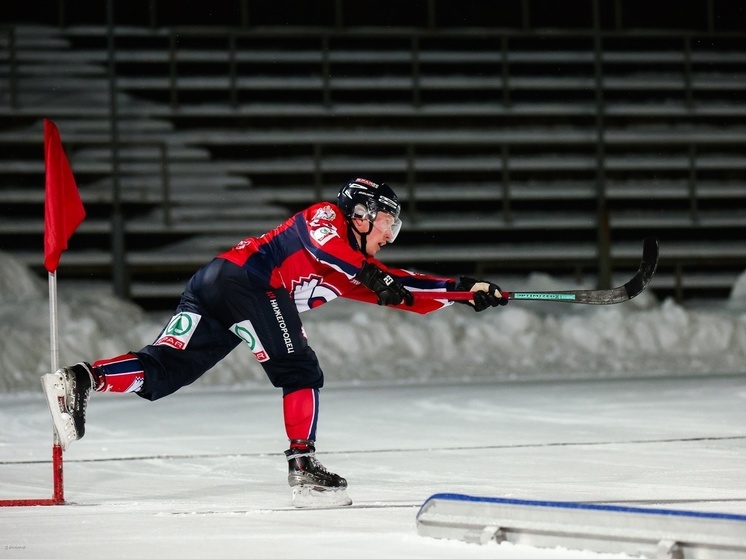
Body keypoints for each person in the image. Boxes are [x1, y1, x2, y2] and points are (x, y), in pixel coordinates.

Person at [41, 177, 507, 505]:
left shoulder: (349, 271)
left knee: (165, 370)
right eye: (386, 220)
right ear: (360, 213)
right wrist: (371, 275)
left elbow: (404, 288)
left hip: (216, 287)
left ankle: (81, 380)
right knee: (299, 368)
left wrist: (466, 292)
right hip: (247, 281)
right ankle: (302, 466)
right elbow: (329, 246)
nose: (389, 234)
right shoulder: (328, 218)